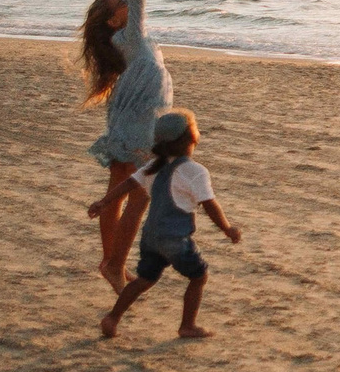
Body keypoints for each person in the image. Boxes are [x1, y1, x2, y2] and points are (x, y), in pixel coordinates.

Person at [78, 0, 173, 288]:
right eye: (121, 3)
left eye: (124, 1)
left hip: (136, 117)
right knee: (138, 190)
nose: (128, 2)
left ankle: (110, 263)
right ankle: (114, 264)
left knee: (122, 185)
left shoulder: (128, 39)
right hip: (139, 121)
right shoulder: (129, 36)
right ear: (114, 21)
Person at [91, 109, 240, 341]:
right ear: (191, 139)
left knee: (144, 280)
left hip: (150, 238)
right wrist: (227, 228)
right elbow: (209, 205)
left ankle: (112, 318)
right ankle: (187, 326)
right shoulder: (195, 172)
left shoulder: (153, 167)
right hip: (175, 240)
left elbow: (128, 183)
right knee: (199, 277)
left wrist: (104, 202)